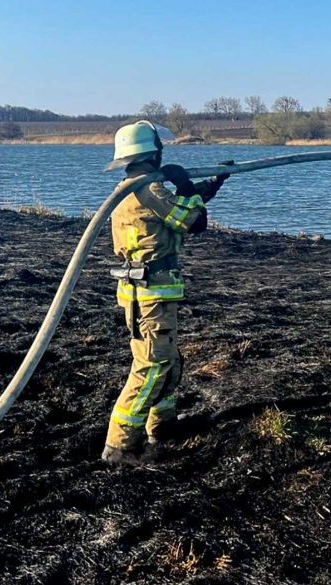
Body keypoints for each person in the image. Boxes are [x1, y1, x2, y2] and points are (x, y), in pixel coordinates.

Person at [101, 120, 231, 465]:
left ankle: (163, 425)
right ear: (153, 152)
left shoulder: (134, 187)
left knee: (169, 361)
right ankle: (120, 445)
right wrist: (185, 183)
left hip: (145, 290)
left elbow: (176, 209)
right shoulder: (148, 189)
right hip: (151, 292)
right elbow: (193, 221)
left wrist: (211, 184)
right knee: (153, 364)